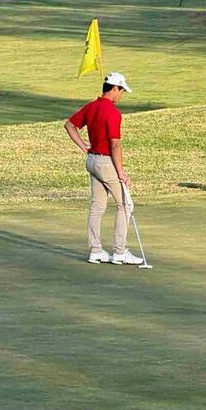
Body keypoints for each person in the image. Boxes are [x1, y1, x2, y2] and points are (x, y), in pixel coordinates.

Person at [64, 72, 143, 265]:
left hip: (92, 161)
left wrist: (84, 147)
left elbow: (69, 125)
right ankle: (119, 252)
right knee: (125, 204)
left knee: (97, 206)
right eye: (121, 91)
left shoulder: (91, 107)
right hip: (106, 163)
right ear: (114, 88)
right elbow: (115, 145)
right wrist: (121, 173)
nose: (121, 95)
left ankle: (96, 251)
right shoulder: (113, 113)